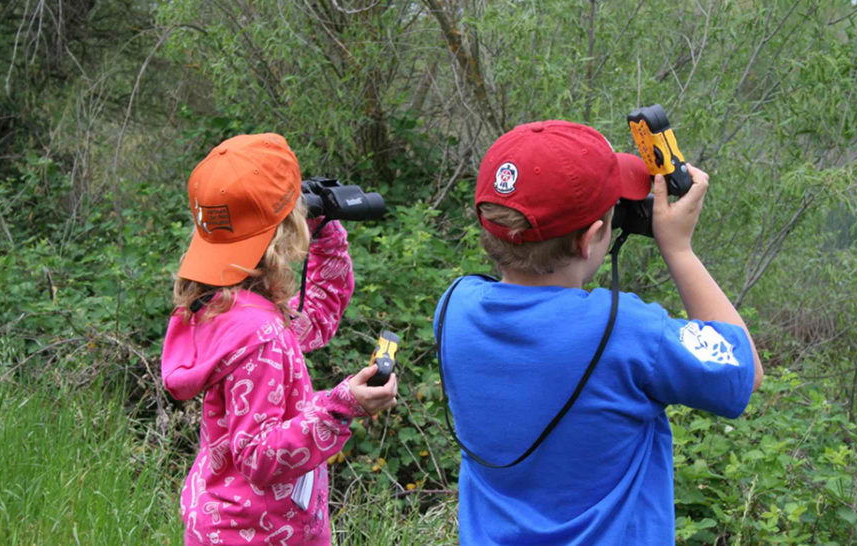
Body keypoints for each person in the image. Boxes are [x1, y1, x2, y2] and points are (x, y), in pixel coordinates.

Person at [434, 120, 763, 545]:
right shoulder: (628, 332)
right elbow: (744, 371)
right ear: (591, 238)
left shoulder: (454, 307)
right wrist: (679, 249)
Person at [161, 133, 398, 546]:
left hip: (227, 523)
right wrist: (342, 406)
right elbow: (258, 455)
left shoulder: (219, 306)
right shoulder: (261, 336)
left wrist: (326, 233)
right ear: (286, 232)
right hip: (264, 534)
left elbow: (318, 314)